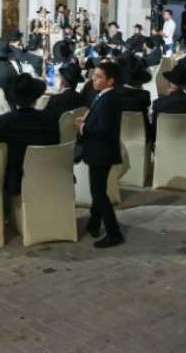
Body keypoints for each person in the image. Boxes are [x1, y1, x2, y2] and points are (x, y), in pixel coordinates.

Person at [74, 61, 124, 248]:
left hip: (101, 151)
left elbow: (103, 129)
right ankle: (94, 224)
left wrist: (83, 127)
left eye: (98, 76)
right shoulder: (103, 96)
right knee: (99, 189)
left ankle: (114, 232)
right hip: (102, 151)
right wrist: (87, 121)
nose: (93, 79)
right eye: (94, 76)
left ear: (110, 81)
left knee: (98, 193)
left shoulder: (108, 99)